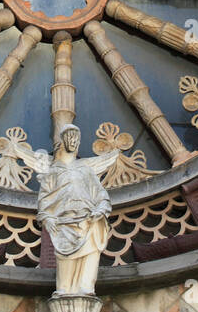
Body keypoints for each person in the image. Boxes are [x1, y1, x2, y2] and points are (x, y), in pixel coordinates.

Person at [9, 124, 118, 296]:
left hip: (89, 222)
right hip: (64, 224)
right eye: (70, 138)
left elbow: (101, 195)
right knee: (64, 271)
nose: (73, 142)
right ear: (62, 141)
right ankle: (65, 291)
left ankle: (86, 290)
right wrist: (47, 218)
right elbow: (44, 200)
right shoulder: (52, 172)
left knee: (88, 270)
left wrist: (101, 209)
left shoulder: (86, 169)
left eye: (76, 139)